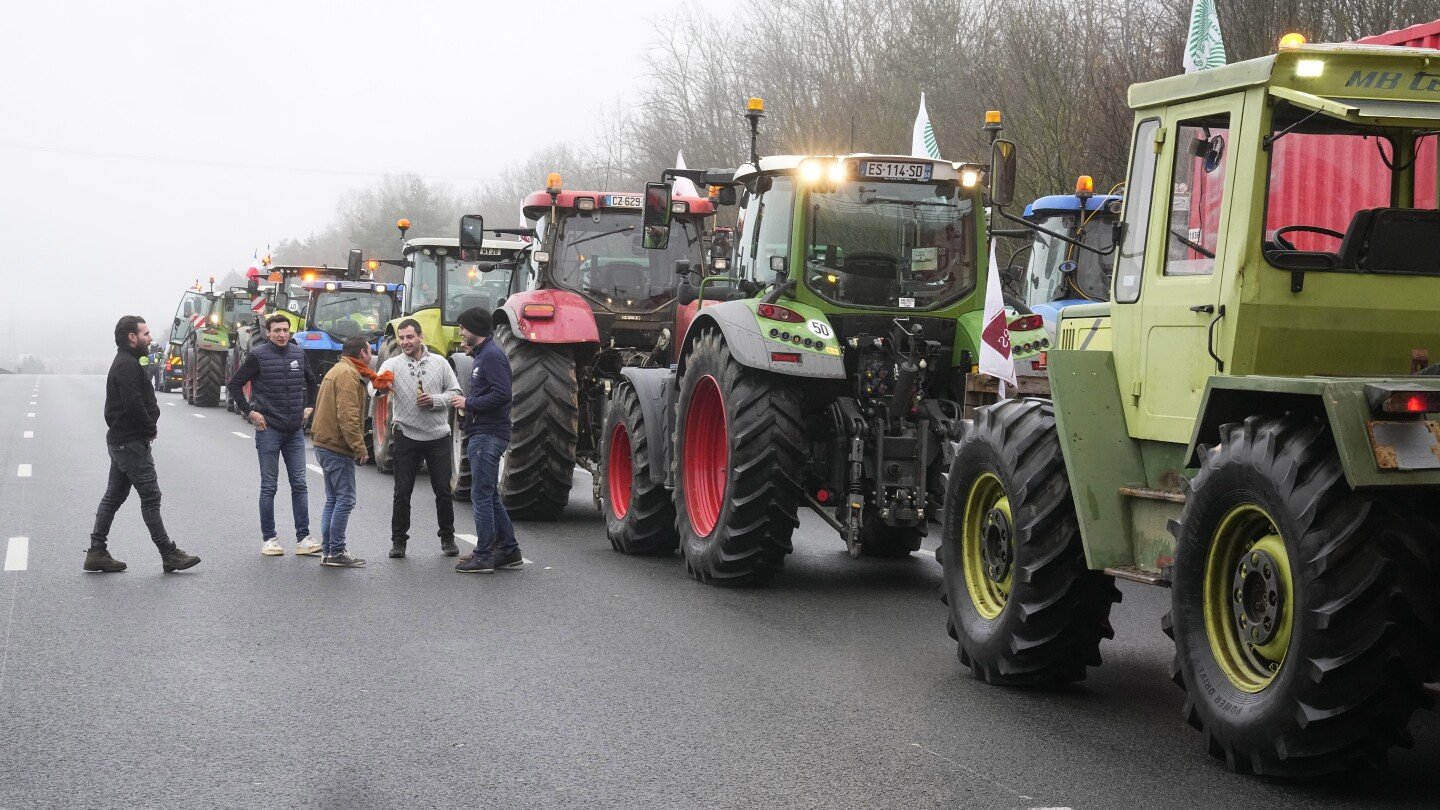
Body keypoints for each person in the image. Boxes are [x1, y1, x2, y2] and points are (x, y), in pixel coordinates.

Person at [86, 316, 201, 574]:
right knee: (151, 497)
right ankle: (168, 553)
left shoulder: (130, 361)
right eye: (146, 333)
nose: (150, 338)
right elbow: (133, 402)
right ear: (131, 337)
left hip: (122, 442)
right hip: (130, 442)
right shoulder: (126, 365)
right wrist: (150, 428)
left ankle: (96, 552)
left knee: (114, 496)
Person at [227, 313, 320, 557]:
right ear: (267, 333)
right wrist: (250, 413)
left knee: (299, 484)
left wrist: (310, 406)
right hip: (269, 430)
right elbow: (234, 384)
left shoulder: (298, 354)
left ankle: (304, 539)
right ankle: (269, 539)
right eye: (276, 330)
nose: (281, 334)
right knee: (269, 486)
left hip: (295, 431)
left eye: (285, 330)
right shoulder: (258, 355)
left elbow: (313, 382)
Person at [376, 318, 463, 559]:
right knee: (402, 492)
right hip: (406, 435)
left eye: (409, 337)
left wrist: (434, 400)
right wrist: (381, 387)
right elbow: (375, 387)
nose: (405, 342)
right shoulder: (392, 363)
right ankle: (399, 542)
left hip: (437, 437)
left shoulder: (440, 363)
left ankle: (447, 538)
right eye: (402, 338)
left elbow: (456, 392)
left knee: (443, 491)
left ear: (420, 337)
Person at [449, 308, 523, 573]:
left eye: (463, 328)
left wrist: (469, 403)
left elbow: (503, 394)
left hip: (489, 433)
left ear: (476, 330)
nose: (460, 332)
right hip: (484, 431)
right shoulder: (484, 354)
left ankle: (484, 555)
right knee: (488, 494)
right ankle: (509, 550)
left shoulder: (491, 356)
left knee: (480, 495)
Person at [311, 337, 372, 568]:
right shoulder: (348, 374)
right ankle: (336, 550)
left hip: (324, 442)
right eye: (368, 351)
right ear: (362, 353)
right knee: (345, 499)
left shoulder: (337, 369)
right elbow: (348, 416)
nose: (370, 355)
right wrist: (359, 446)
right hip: (336, 445)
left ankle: (328, 552)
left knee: (333, 499)